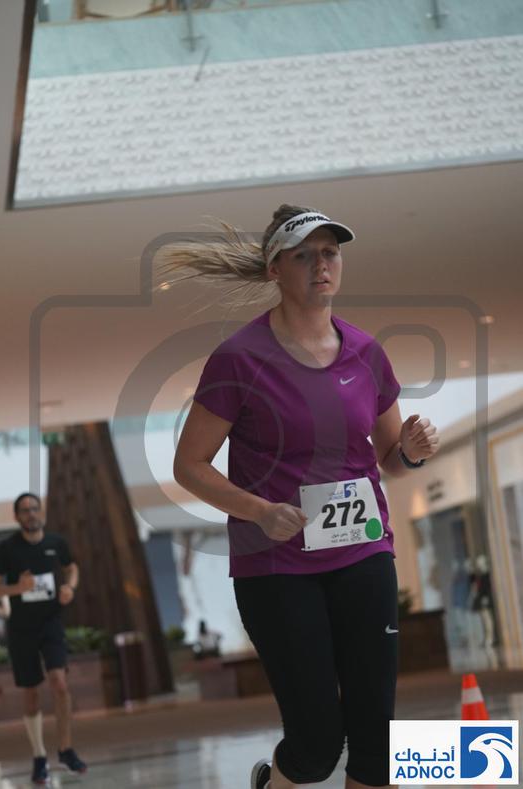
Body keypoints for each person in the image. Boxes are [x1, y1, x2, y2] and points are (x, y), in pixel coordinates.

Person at [169, 204, 439, 789]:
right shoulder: (239, 358)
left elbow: (391, 460)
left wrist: (412, 452)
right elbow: (188, 466)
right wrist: (260, 512)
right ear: (275, 269)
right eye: (304, 255)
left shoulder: (367, 353)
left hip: (363, 552)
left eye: (330, 253)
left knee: (378, 745)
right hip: (277, 567)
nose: (322, 265)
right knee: (316, 746)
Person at [0, 493, 87, 785]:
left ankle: (66, 749)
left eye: (35, 509)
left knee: (60, 683)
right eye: (25, 510)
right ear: (17, 516)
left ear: (41, 512)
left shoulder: (56, 543)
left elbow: (71, 568)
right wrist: (18, 588)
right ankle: (39, 756)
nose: (31, 514)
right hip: (21, 629)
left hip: (50, 623)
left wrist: (70, 587)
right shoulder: (6, 549)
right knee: (31, 692)